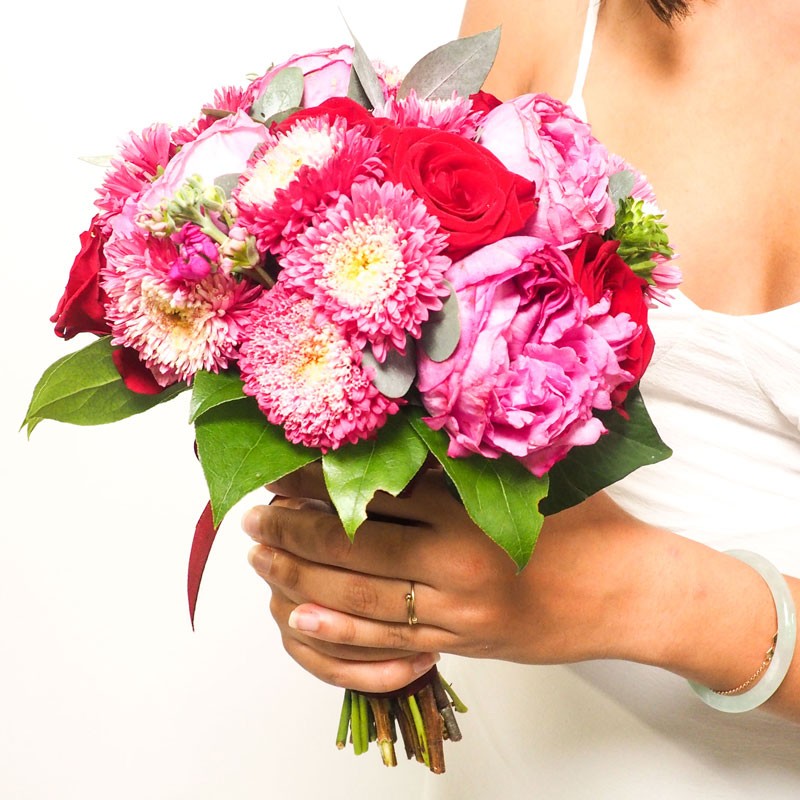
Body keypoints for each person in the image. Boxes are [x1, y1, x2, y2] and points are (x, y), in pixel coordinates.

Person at [242, 0, 800, 794]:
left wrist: (645, 594)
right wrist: (363, 583)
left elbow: (601, 578)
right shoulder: (552, 12)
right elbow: (420, 381)